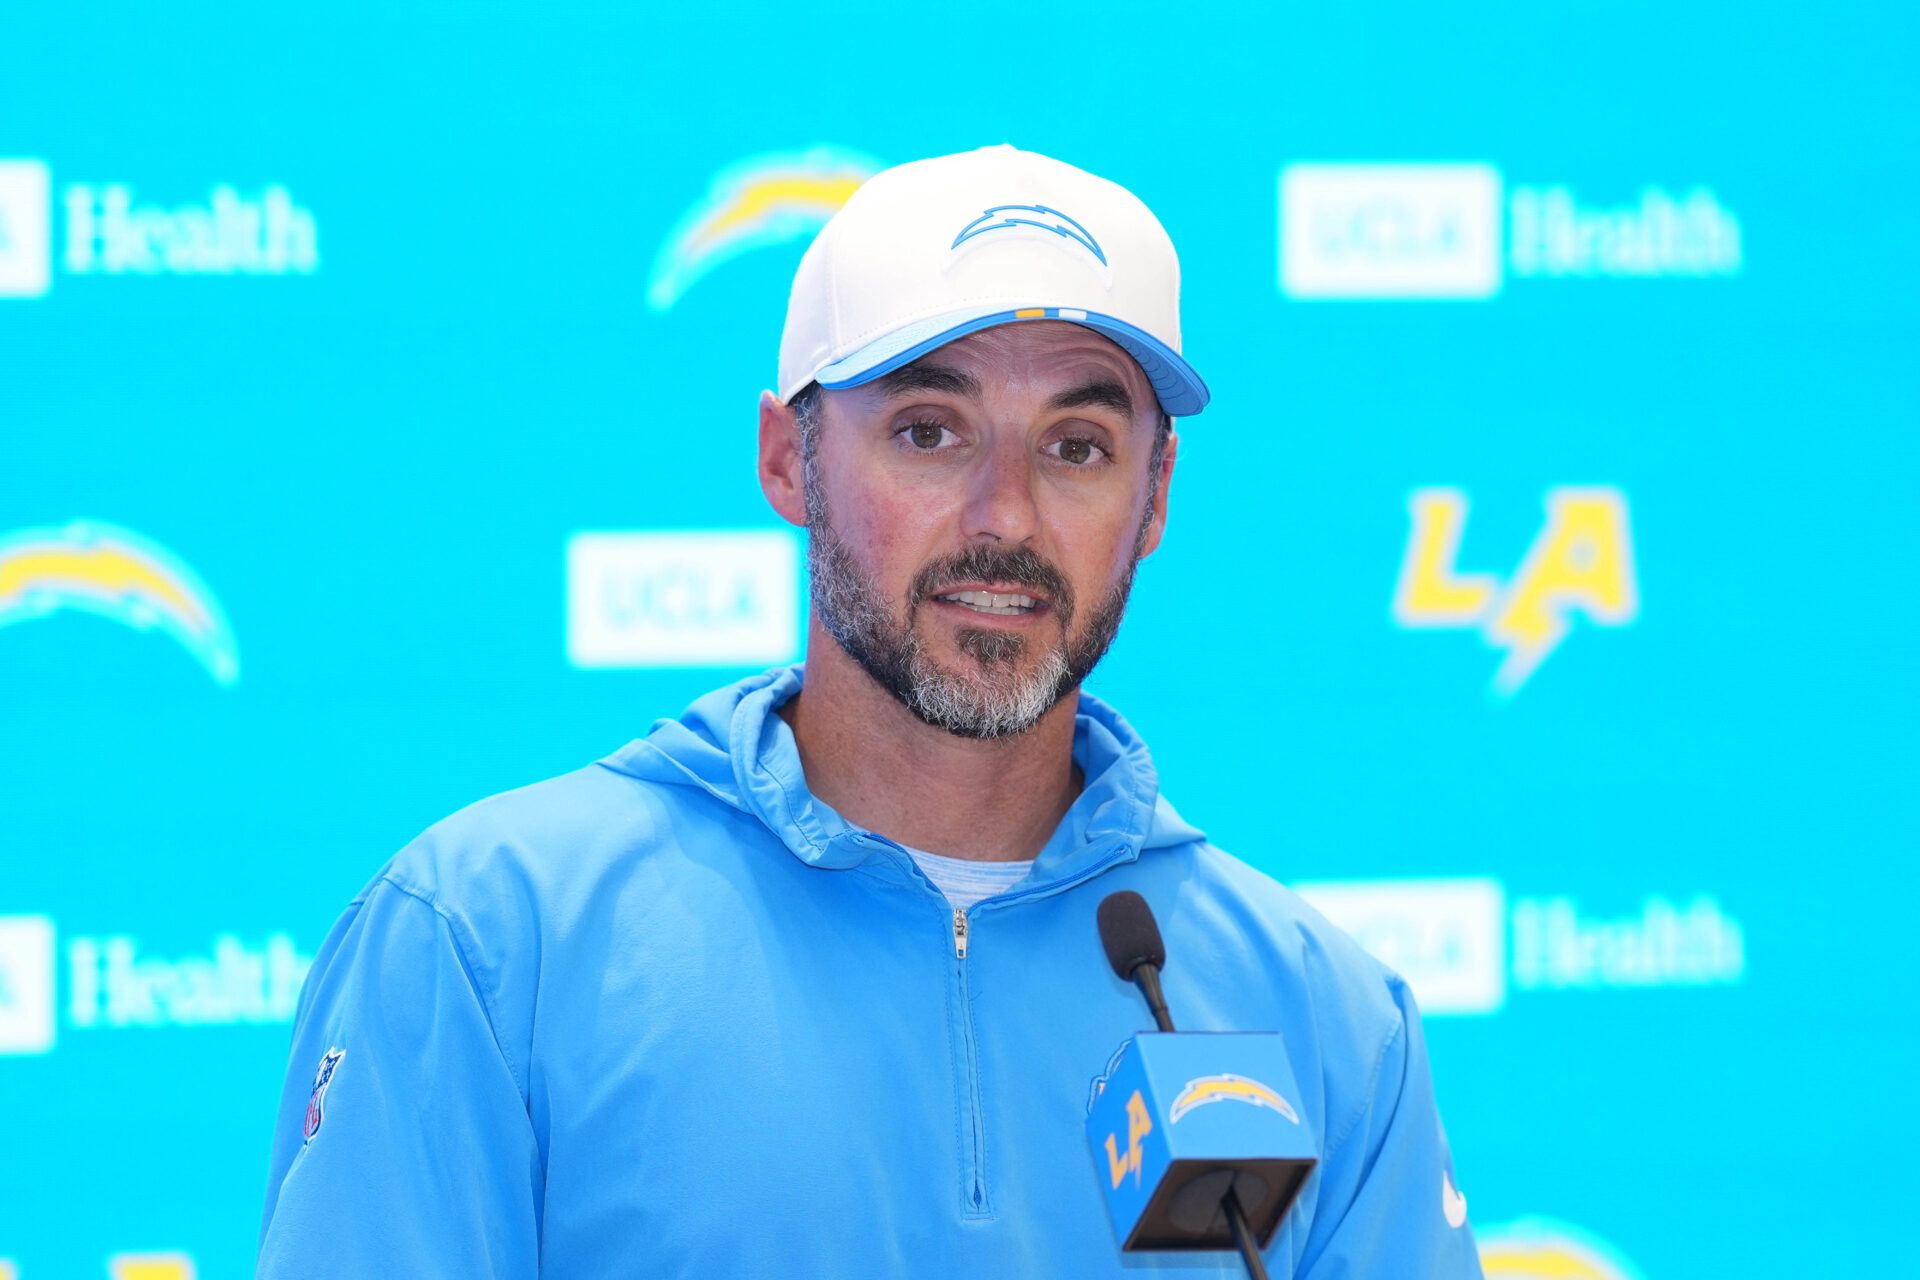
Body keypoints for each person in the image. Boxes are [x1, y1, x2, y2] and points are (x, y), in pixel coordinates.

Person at [256, 143, 1484, 1278]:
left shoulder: (1321, 1011)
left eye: (1078, 447)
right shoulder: (490, 937)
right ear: (790, 457)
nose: (1006, 515)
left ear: (1155, 498)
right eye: (930, 429)